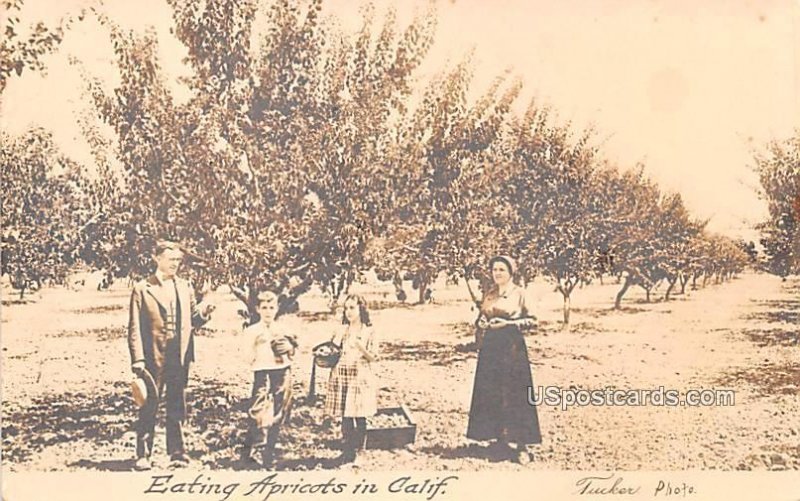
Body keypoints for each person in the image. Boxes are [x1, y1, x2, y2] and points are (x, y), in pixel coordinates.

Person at [128, 240, 215, 471]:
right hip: (153, 356)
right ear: (156, 258)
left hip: (180, 355)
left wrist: (205, 313)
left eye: (178, 260)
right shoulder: (142, 288)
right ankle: (143, 454)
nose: (175, 264)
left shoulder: (185, 286)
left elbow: (193, 319)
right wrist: (137, 360)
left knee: (177, 403)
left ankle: (177, 452)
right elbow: (134, 327)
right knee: (149, 404)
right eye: (170, 259)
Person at [466, 255, 541, 464]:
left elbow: (534, 320)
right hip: (490, 349)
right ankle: (499, 439)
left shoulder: (520, 294)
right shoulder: (490, 294)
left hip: (512, 350)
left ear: (511, 272)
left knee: (515, 394)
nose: (497, 273)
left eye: (501, 269)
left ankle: (522, 445)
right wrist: (481, 322)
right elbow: (483, 316)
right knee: (491, 392)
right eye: (494, 269)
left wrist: (508, 324)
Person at [239, 290, 297, 467]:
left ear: (277, 308)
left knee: (280, 410)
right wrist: (257, 344)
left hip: (281, 371)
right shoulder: (252, 331)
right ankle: (253, 449)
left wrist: (289, 347)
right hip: (262, 372)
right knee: (258, 409)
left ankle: (270, 451)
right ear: (257, 309)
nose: (268, 311)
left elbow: (293, 352)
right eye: (264, 307)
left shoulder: (283, 329)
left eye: (272, 307)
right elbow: (246, 357)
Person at [324, 294, 380, 463]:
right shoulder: (342, 330)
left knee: (359, 414)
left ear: (361, 309)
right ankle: (347, 451)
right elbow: (332, 351)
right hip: (342, 374)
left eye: (352, 308)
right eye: (346, 308)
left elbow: (374, 357)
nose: (348, 312)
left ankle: (360, 452)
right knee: (345, 415)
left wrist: (361, 348)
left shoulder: (369, 331)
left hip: (360, 375)